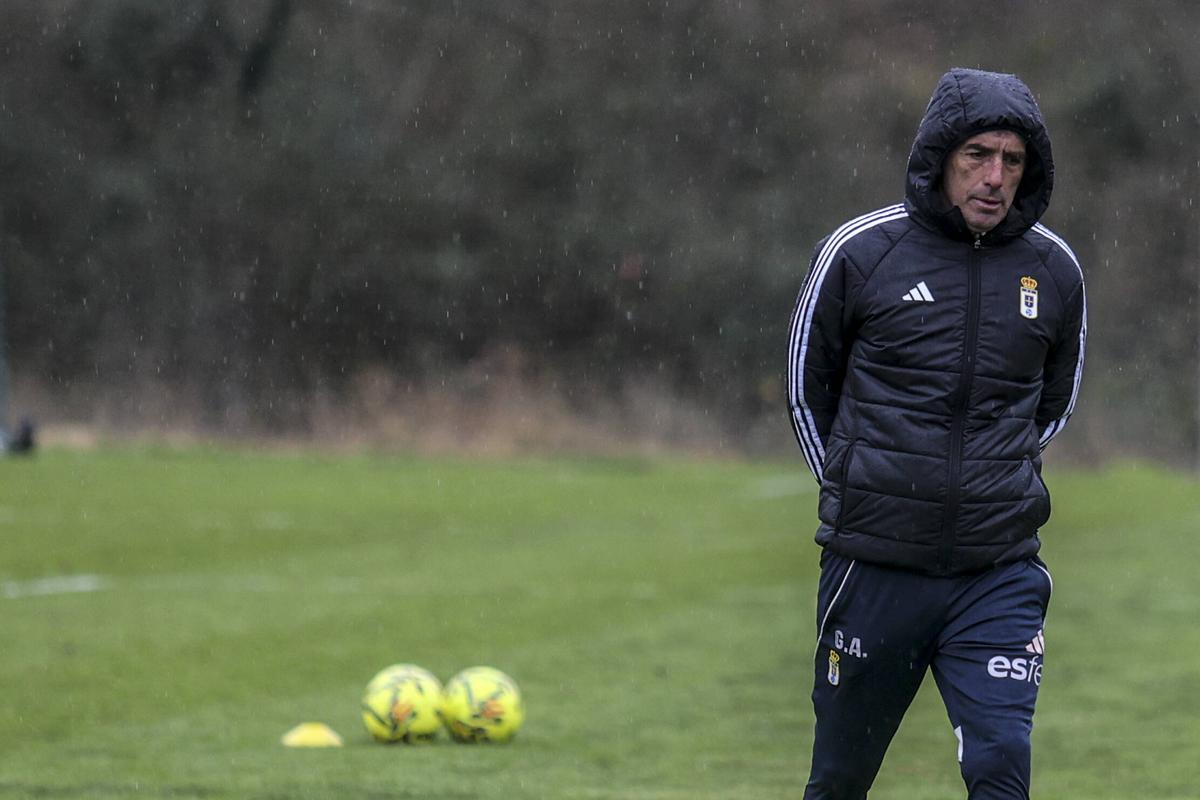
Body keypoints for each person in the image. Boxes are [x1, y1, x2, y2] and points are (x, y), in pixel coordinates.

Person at [786, 68, 1086, 799]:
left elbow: (1051, 407)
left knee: (999, 764)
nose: (994, 177)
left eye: (1012, 162)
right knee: (839, 782)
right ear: (939, 159)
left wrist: (988, 486)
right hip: (875, 570)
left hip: (997, 572)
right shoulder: (861, 252)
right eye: (977, 156)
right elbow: (805, 391)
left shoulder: (1054, 270)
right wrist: (864, 491)